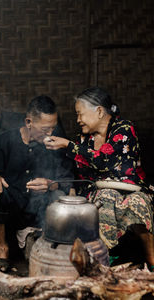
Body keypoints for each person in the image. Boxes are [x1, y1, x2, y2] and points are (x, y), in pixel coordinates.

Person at [44, 87, 154, 268]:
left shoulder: (124, 129)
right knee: (106, 197)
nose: (78, 120)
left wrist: (67, 145)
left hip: (132, 190)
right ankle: (104, 262)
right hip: (99, 194)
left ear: (100, 111)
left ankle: (152, 264)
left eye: (80, 114)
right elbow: (76, 172)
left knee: (138, 202)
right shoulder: (83, 139)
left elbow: (105, 161)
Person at [0, 95, 73, 272]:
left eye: (53, 128)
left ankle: (45, 245)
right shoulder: (5, 140)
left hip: (40, 210)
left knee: (58, 196)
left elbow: (68, 178)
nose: (51, 134)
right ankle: (3, 249)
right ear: (29, 122)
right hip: (10, 210)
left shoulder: (56, 141)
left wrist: (50, 184)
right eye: (45, 129)